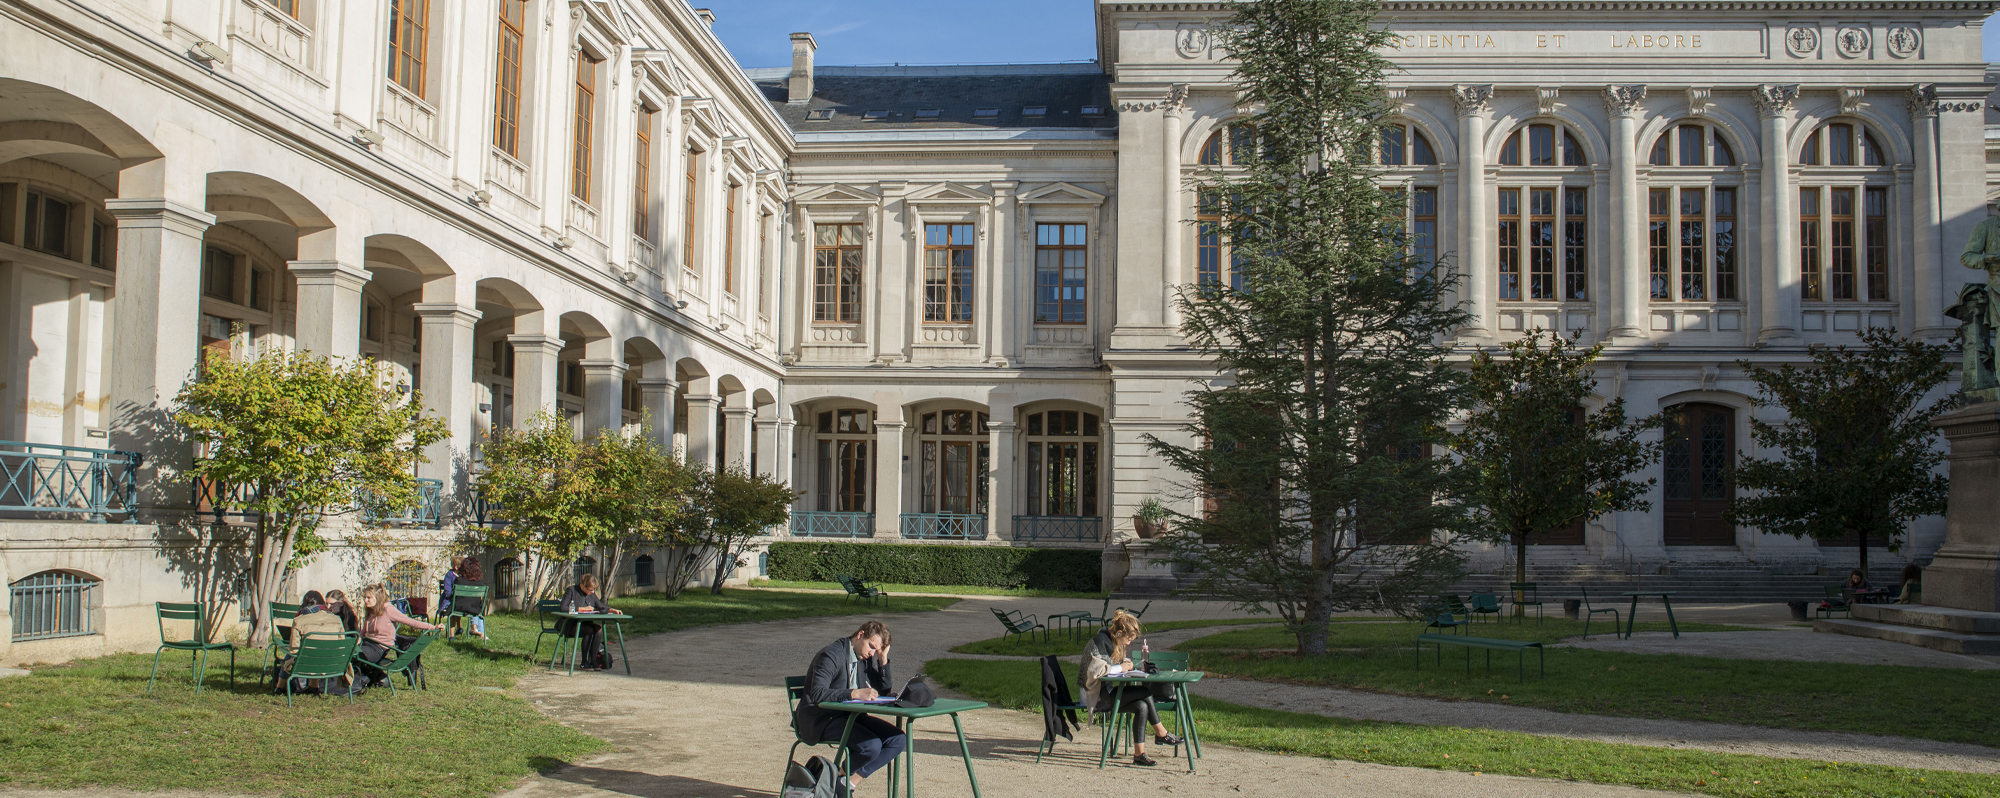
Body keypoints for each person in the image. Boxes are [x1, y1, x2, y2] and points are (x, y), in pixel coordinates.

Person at [795, 620, 904, 797]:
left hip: (851, 716)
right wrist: (854, 693)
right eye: (871, 646)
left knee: (897, 739)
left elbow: (883, 690)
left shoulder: (864, 657)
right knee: (872, 746)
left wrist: (883, 659)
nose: (871, 653)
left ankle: (846, 782)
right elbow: (817, 693)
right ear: (860, 635)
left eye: (875, 650)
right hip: (822, 718)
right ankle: (836, 780)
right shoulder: (831, 655)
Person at [1078, 610, 1184, 767]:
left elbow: (1112, 663)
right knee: (1145, 692)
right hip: (1095, 696)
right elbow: (1097, 671)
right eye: (1128, 640)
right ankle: (1161, 733)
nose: (1128, 643)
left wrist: (1125, 664)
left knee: (1141, 706)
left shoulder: (1111, 640)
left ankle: (1139, 754)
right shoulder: (1100, 642)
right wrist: (1121, 668)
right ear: (1119, 633)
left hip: (1106, 692)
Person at [355, 583, 438, 687]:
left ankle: (362, 680)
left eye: (369, 598)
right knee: (350, 652)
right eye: (365, 597)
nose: (365, 600)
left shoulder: (388, 609)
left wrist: (432, 627)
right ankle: (378, 678)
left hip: (379, 647)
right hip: (367, 644)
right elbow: (363, 631)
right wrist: (358, 639)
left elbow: (410, 621)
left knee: (354, 655)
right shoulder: (370, 611)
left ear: (378, 598)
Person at [559, 572, 617, 671]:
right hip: (569, 625)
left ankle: (593, 661)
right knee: (589, 630)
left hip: (585, 623)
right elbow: (563, 608)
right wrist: (581, 609)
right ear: (582, 585)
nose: (591, 592)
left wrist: (611, 610)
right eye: (590, 590)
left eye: (593, 590)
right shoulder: (571, 591)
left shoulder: (591, 595)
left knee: (598, 628)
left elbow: (600, 605)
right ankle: (584, 662)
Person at [448, 557, 488, 639]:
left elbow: (453, 596)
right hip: (475, 609)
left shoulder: (459, 580)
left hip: (459, 607)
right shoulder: (480, 582)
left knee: (452, 607)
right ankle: (480, 632)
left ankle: (451, 636)